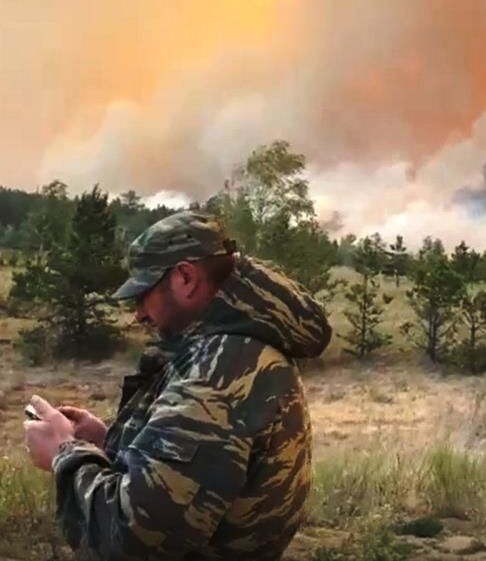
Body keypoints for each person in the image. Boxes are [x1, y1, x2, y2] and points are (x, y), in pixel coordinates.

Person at [22, 211, 333, 560]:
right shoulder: (229, 348)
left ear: (185, 277)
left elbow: (134, 539)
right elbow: (189, 472)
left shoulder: (218, 373)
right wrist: (106, 444)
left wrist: (65, 452)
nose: (138, 313)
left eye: (144, 293)